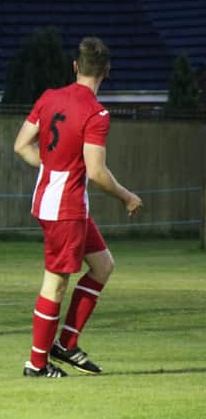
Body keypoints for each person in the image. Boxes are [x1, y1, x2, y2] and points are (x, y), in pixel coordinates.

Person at [13, 37, 143, 377]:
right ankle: (36, 364)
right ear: (106, 72)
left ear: (75, 67)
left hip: (59, 203)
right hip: (65, 209)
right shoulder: (96, 113)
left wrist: (50, 169)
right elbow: (97, 172)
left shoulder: (49, 97)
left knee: (103, 266)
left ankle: (66, 344)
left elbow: (20, 145)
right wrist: (127, 196)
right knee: (54, 285)